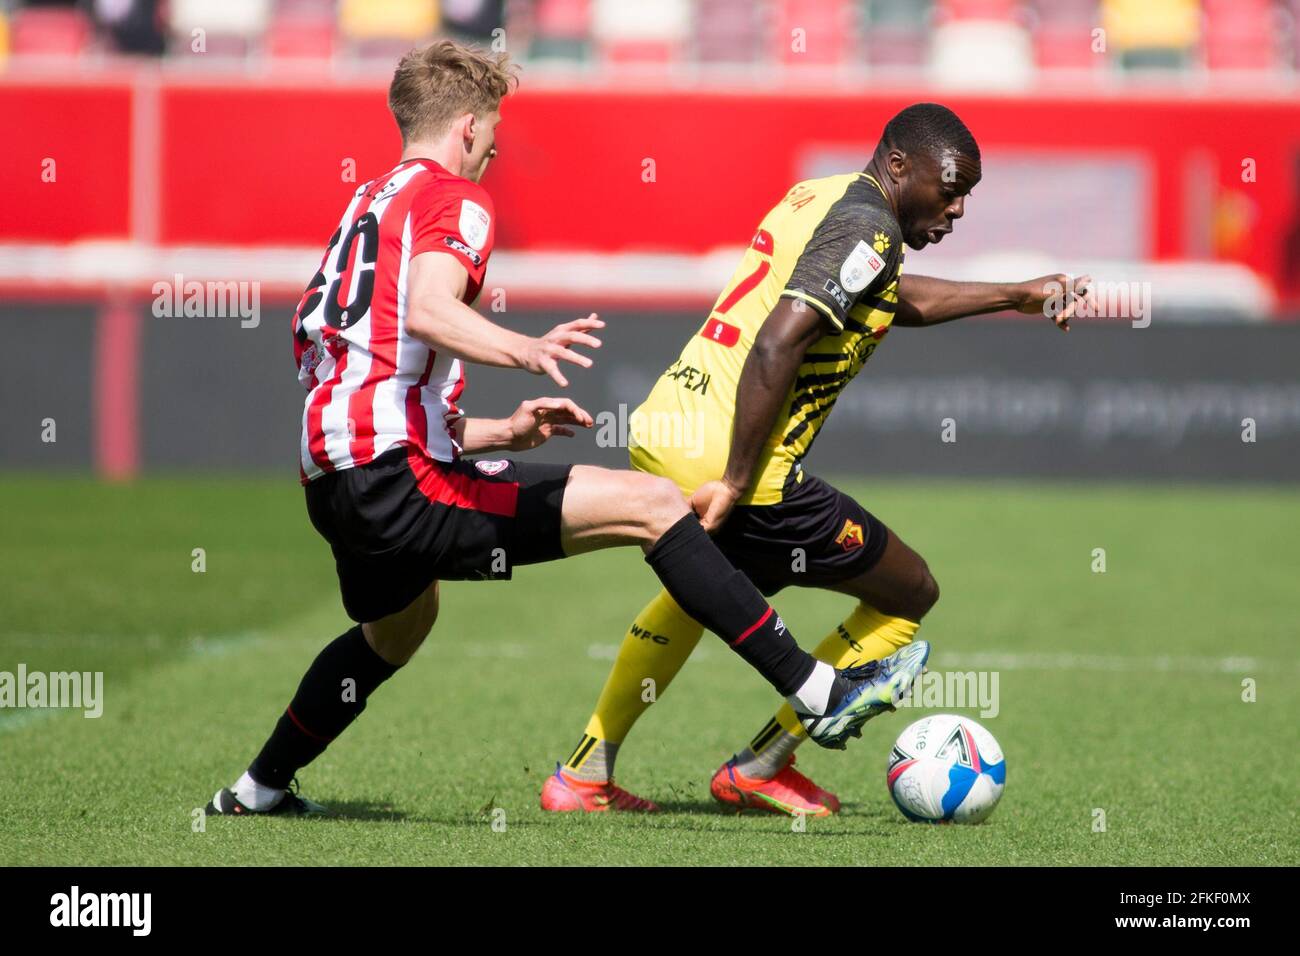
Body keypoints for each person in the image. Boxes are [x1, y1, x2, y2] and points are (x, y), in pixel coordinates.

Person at [203, 41, 929, 817]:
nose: (497, 146)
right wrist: (525, 348)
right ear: (470, 127)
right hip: (394, 479)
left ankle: (256, 789)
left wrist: (495, 432)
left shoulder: (367, 205)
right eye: (495, 130)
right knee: (657, 506)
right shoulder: (456, 198)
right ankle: (816, 688)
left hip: (336, 475)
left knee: (398, 629)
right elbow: (426, 308)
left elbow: (362, 364)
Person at [542, 103, 1093, 816]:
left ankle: (585, 774)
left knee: (703, 589)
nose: (957, 209)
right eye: (949, 188)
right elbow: (779, 342)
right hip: (733, 457)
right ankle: (762, 763)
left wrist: (1014, 294)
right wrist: (738, 481)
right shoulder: (869, 225)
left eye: (967, 196)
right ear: (899, 165)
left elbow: (889, 295)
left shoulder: (825, 196)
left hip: (669, 423)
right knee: (909, 592)